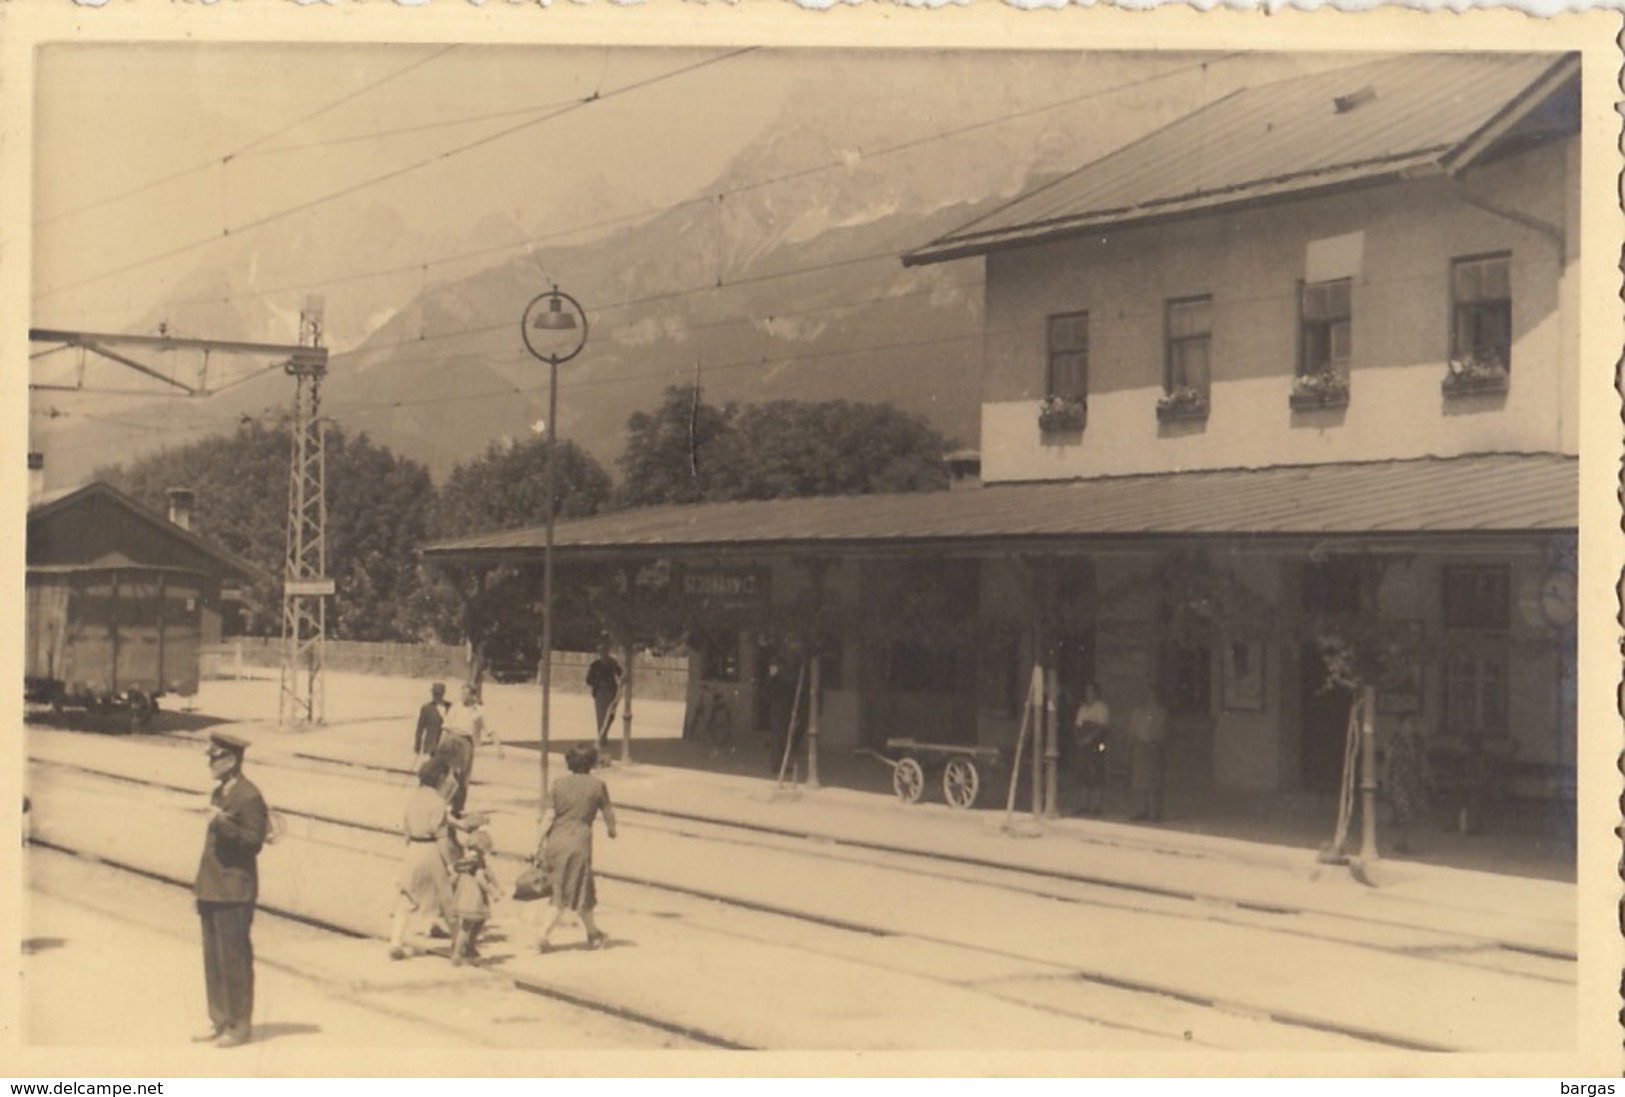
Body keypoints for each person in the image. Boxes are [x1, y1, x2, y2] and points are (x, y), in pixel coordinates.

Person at [192, 732, 269, 1048]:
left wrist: (221, 822)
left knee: (234, 959)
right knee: (213, 959)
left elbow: (253, 842)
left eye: (216, 758)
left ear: (233, 760)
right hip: (212, 887)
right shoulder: (220, 792)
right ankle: (219, 1019)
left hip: (235, 891)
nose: (210, 764)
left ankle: (239, 1025)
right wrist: (199, 887)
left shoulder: (249, 796)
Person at [535, 745, 618, 953]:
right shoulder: (597, 786)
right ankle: (542, 935)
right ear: (591, 763)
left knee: (581, 888)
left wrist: (537, 842)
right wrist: (612, 830)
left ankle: (593, 934)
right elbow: (608, 812)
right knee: (564, 892)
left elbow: (548, 817)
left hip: (556, 839)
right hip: (579, 842)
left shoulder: (558, 784)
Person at [388, 758, 458, 960]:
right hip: (431, 851)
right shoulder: (438, 803)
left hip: (413, 851)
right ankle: (457, 943)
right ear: (441, 777)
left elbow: (406, 830)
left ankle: (395, 941)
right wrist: (450, 864)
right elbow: (442, 838)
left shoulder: (413, 798)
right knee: (447, 898)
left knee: (406, 897)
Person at [449, 831, 500, 967]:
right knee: (469, 925)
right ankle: (458, 952)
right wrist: (492, 891)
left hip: (462, 896)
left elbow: (453, 877)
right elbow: (481, 878)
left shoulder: (462, 859)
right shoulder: (478, 860)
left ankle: (466, 947)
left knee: (474, 922)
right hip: (474, 897)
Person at [1385, 714, 1430, 855]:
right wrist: (1385, 781)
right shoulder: (1394, 742)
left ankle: (1403, 840)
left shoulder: (1418, 742)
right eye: (1408, 723)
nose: (1411, 726)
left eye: (1413, 723)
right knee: (1404, 809)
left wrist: (1428, 776)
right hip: (1398, 780)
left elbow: (1423, 760)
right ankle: (1402, 841)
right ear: (1401, 726)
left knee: (1413, 811)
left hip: (1414, 780)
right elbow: (1388, 763)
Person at [434, 686, 480, 816]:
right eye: (462, 694)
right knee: (447, 773)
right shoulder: (455, 707)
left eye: (466, 694)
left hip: (466, 742)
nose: (463, 697)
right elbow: (446, 727)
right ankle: (440, 803)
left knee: (463, 777)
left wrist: (498, 746)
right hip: (452, 738)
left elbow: (490, 729)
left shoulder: (479, 711)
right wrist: (441, 745)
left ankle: (457, 808)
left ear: (473, 696)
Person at [1126, 683, 1168, 823]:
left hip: (1153, 748)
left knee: (1153, 782)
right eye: (1146, 694)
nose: (1148, 697)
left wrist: (1156, 741)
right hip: (1140, 748)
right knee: (1139, 782)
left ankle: (1154, 812)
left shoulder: (1161, 712)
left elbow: (1162, 731)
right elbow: (1132, 730)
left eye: (1151, 694)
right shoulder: (1137, 712)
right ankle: (1141, 810)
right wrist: (1130, 745)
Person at [1071, 683, 1111, 816]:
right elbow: (1077, 725)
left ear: (1096, 693)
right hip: (1083, 744)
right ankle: (1083, 805)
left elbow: (1102, 728)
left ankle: (1097, 806)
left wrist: (1090, 739)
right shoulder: (1082, 708)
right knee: (1083, 772)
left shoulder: (1101, 707)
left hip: (1096, 744)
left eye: (1091, 691)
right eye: (1087, 691)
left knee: (1097, 772)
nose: (1089, 694)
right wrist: (1079, 739)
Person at [586, 646, 623, 750]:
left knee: (611, 715)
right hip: (600, 693)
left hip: (611, 692)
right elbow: (588, 680)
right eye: (602, 652)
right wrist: (598, 684)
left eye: (605, 652)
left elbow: (620, 673)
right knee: (601, 715)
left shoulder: (612, 663)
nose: (604, 654)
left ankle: (604, 734)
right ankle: (602, 737)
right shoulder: (595, 665)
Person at [413, 682, 450, 762]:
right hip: (431, 744)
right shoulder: (426, 708)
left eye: (438, 694)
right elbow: (420, 728)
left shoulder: (450, 707)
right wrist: (417, 744)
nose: (436, 696)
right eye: (434, 694)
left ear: (443, 694)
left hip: (447, 744)